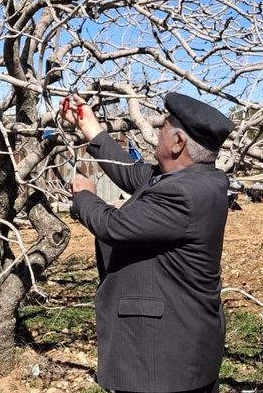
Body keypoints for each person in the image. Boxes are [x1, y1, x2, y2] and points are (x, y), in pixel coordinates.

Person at [61, 92, 234, 393]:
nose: (157, 133)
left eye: (164, 127)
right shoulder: (196, 179)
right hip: (179, 350)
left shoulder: (184, 195)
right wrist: (91, 128)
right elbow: (132, 174)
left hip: (164, 360)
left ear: (178, 143)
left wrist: (84, 195)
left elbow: (115, 226)